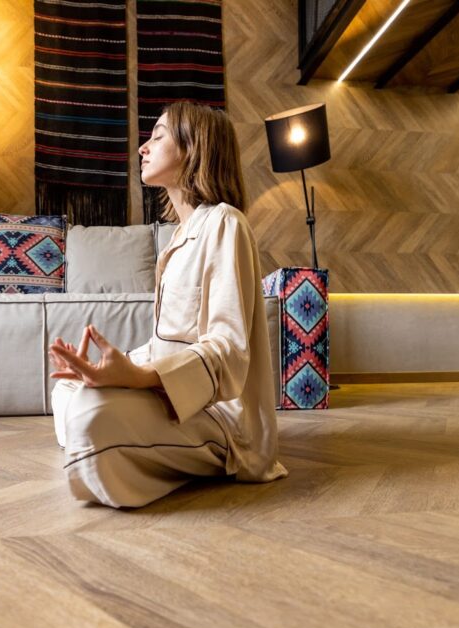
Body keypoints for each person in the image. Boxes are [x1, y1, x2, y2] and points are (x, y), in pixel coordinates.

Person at [48, 101, 287, 508]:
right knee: (69, 389)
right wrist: (118, 369)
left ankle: (114, 446)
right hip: (170, 396)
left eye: (157, 136)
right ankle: (120, 447)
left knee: (90, 413)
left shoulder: (226, 224)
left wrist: (141, 380)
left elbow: (228, 351)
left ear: (193, 148)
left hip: (218, 414)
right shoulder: (177, 240)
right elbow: (167, 345)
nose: (144, 147)